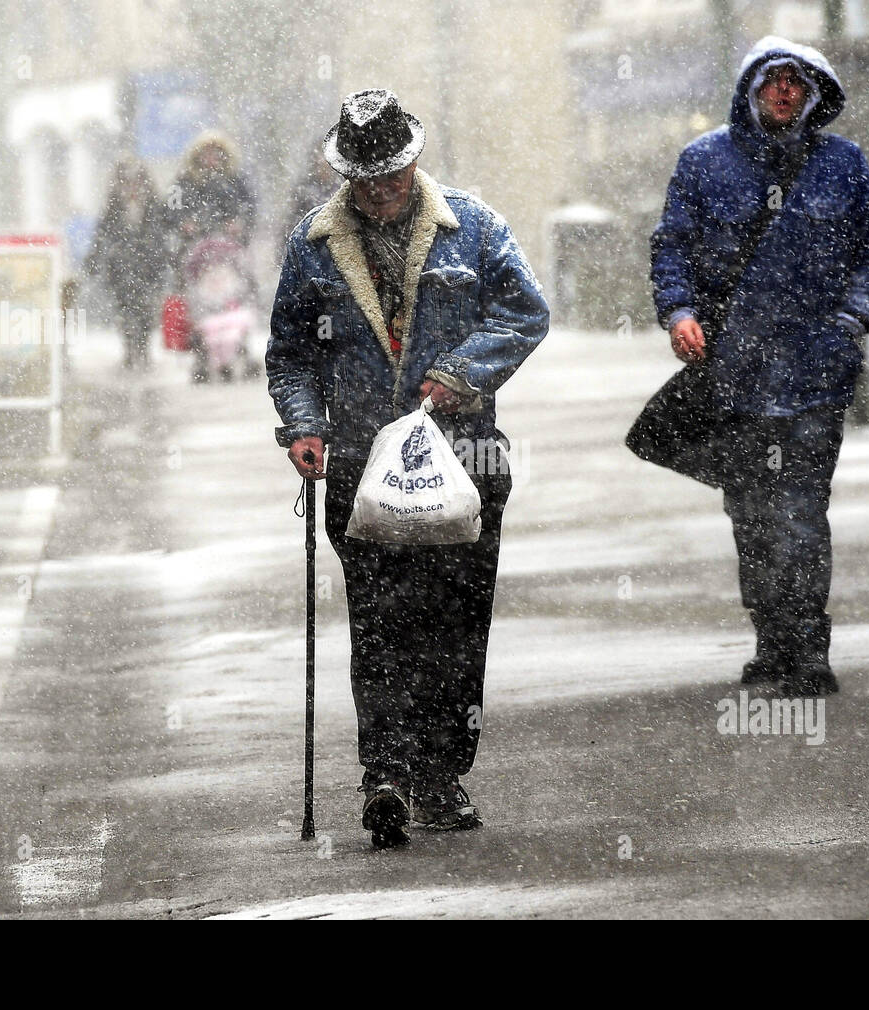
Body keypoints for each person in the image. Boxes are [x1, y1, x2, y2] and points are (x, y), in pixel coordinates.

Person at [267, 89, 549, 847]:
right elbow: (290, 353)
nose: (382, 192)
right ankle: (385, 772)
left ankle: (440, 772)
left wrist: (463, 371)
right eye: (367, 180)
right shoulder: (314, 245)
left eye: (392, 176)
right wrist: (302, 428)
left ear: (414, 162)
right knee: (382, 624)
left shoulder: (475, 228)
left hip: (464, 462)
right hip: (360, 468)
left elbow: (526, 312)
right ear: (347, 176)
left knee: (456, 624)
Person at [650, 36, 869, 696]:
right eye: (774, 79)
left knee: (802, 510)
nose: (787, 90)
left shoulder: (843, 165)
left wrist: (850, 321)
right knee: (751, 511)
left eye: (799, 81)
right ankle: (771, 639)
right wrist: (678, 314)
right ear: (750, 87)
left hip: (817, 373)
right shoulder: (703, 163)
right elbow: (670, 246)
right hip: (736, 374)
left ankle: (808, 649)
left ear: (815, 93)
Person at [85, 158, 168, 370]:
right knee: (125, 310)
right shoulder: (113, 207)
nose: (131, 186)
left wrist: (159, 255)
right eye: (126, 181)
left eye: (136, 181)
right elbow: (102, 235)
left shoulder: (153, 206)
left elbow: (161, 235)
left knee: (146, 311)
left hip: (148, 267)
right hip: (120, 269)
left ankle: (143, 349)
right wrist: (95, 258)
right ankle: (130, 349)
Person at [165, 131, 257, 250]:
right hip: (191, 245)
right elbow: (171, 207)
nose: (210, 159)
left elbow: (249, 207)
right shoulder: (185, 180)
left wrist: (239, 223)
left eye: (215, 154)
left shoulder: (235, 180)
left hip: (230, 245)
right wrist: (183, 222)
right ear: (197, 156)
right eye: (206, 154)